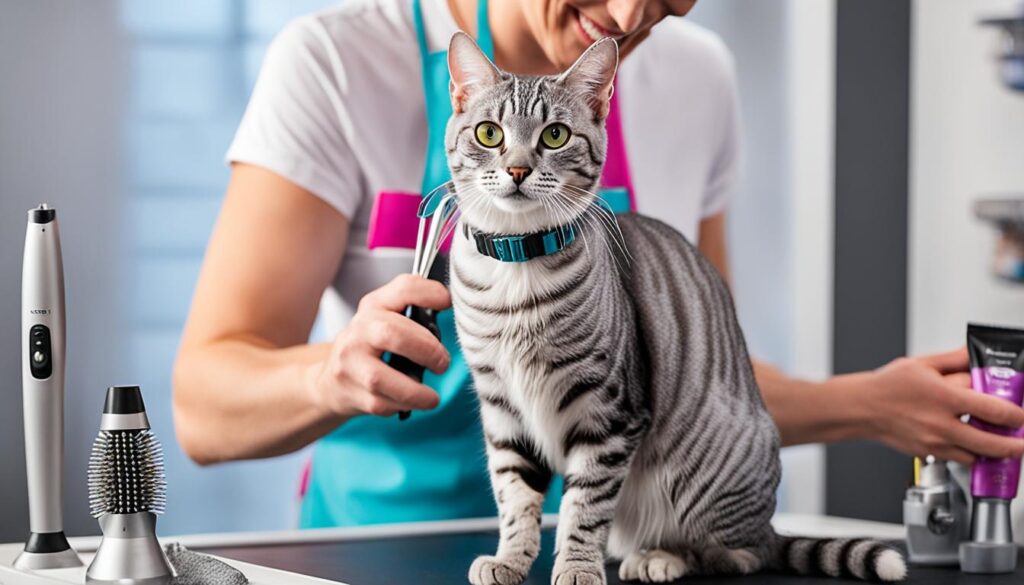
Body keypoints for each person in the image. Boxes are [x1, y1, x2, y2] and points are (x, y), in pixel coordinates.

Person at [172, 0, 1024, 528]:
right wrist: (332, 374)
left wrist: (873, 403)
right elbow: (203, 409)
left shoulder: (698, 80)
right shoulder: (335, 66)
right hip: (385, 552)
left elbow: (694, 386)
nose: (627, 15)